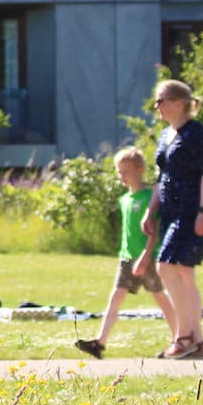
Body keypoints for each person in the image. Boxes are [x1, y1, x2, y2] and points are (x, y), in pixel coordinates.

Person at [74, 147, 178, 358]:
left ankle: (179, 338)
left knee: (160, 297)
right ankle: (100, 343)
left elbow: (153, 231)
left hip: (147, 258)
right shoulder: (124, 200)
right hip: (127, 257)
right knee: (116, 296)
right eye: (119, 172)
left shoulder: (149, 197)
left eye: (126, 171)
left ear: (140, 169)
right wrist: (126, 255)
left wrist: (145, 257)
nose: (122, 176)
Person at [145, 79, 203, 360]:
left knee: (165, 267)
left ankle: (183, 336)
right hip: (170, 211)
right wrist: (151, 210)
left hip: (190, 210)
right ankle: (197, 341)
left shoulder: (196, 133)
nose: (157, 107)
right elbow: (162, 177)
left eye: (160, 101)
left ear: (177, 103)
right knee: (184, 273)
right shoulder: (165, 135)